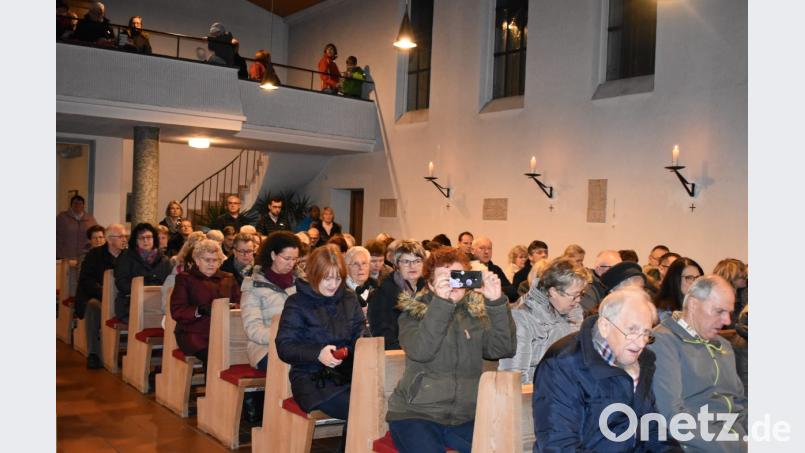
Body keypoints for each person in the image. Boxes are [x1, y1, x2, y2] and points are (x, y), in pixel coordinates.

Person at [386, 246, 516, 453]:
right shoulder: (413, 313)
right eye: (444, 278)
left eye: (457, 276)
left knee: (500, 447)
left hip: (465, 416)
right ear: (430, 283)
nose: (452, 284)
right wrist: (442, 303)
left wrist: (496, 302)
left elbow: (501, 349)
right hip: (416, 414)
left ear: (467, 280)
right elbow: (422, 351)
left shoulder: (474, 313)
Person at [532, 288, 681, 452]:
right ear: (604, 326)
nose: (640, 343)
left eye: (646, 333)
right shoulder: (563, 365)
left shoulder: (642, 362)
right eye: (631, 331)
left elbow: (652, 430)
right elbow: (559, 445)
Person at [649, 276, 748, 451]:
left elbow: (739, 402)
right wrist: (736, 446)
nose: (727, 321)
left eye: (729, 313)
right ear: (694, 305)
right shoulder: (663, 342)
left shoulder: (723, 345)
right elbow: (673, 416)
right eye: (719, 311)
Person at [275, 245, 366, 427]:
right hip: (312, 379)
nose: (333, 285)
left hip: (348, 374)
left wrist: (357, 348)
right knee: (360, 409)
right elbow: (285, 346)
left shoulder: (349, 299)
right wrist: (318, 353)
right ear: (314, 275)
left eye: (338, 278)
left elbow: (360, 334)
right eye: (327, 279)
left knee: (376, 404)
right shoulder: (297, 303)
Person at [499, 257, 590, 384]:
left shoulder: (574, 313)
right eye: (574, 295)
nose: (579, 300)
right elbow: (514, 376)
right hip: (537, 396)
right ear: (553, 292)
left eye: (581, 294)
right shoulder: (522, 317)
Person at [170, 239, 241, 367]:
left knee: (237, 353)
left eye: (215, 260)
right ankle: (212, 387)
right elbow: (177, 311)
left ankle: (221, 386)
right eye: (207, 260)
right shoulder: (185, 278)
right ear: (197, 260)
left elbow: (239, 303)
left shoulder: (228, 278)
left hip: (224, 332)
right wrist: (199, 310)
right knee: (213, 355)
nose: (211, 264)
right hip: (193, 333)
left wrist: (232, 308)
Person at [241, 231, 302, 371]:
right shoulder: (253, 286)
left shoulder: (301, 283)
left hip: (297, 345)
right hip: (264, 349)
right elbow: (253, 329)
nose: (291, 264)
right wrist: (285, 338)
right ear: (273, 255)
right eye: (287, 258)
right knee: (298, 366)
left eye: (295, 259)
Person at [75, 224, 127, 369]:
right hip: (98, 297)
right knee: (92, 306)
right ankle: (93, 354)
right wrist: (104, 293)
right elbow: (86, 280)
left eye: (125, 236)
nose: (124, 240)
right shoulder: (94, 255)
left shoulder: (128, 256)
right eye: (120, 236)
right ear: (110, 239)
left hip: (122, 300)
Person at [367, 240, 426, 350]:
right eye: (406, 261)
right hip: (398, 355)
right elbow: (384, 336)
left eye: (417, 261)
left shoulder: (428, 290)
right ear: (397, 265)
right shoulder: (383, 292)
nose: (412, 266)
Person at [114, 223, 172, 322]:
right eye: (141, 238)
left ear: (154, 239)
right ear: (135, 241)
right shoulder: (126, 257)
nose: (145, 241)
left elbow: (169, 283)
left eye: (149, 237)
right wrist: (144, 290)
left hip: (158, 303)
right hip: (131, 303)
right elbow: (121, 283)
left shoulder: (164, 260)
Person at [653, 257, 703, 321]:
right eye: (689, 278)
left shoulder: (702, 304)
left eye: (698, 278)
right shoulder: (664, 311)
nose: (695, 282)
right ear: (675, 279)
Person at [578, 250, 622, 316]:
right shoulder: (587, 286)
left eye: (620, 269)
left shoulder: (610, 285)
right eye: (613, 269)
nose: (618, 273)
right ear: (598, 269)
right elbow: (587, 318)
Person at [471, 236, 515, 301]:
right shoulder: (467, 268)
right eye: (482, 248)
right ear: (472, 251)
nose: (486, 252)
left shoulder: (496, 269)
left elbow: (512, 291)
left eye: (489, 248)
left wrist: (494, 290)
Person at [56, 194, 98, 260]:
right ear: (71, 205)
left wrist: (90, 245)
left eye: (80, 203)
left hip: (84, 255)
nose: (77, 205)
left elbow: (95, 234)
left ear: (84, 205)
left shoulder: (90, 218)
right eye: (75, 203)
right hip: (65, 255)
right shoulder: (62, 217)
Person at [712, 258, 748, 326]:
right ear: (730, 277)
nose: (745, 275)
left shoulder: (743, 290)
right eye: (740, 274)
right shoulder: (718, 299)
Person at [344, 246, 377, 314]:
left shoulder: (376, 286)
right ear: (347, 268)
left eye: (364, 263)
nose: (361, 268)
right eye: (355, 264)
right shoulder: (341, 289)